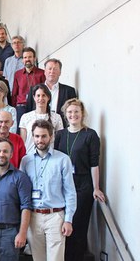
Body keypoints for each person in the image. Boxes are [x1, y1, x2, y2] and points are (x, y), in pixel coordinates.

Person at [54, 98, 105, 261]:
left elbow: (94, 163)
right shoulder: (60, 135)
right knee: (62, 224)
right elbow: (54, 161)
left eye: (76, 111)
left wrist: (96, 187)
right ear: (65, 114)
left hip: (82, 186)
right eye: (70, 112)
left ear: (82, 113)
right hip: (62, 186)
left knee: (78, 225)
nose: (73, 114)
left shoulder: (90, 135)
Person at [20, 119, 77, 261]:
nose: (40, 140)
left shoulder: (63, 159)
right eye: (37, 136)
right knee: (38, 258)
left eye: (44, 136)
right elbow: (22, 192)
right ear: (32, 137)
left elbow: (70, 192)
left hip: (55, 216)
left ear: (51, 137)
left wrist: (68, 220)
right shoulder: (25, 161)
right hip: (33, 217)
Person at [26, 58, 77, 127]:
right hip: (37, 130)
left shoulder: (69, 91)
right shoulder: (34, 90)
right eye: (49, 69)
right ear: (44, 71)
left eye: (55, 69)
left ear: (60, 72)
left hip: (61, 130)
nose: (52, 71)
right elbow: (29, 110)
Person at [19, 84, 63, 154]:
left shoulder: (56, 117)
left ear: (48, 97)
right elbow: (23, 141)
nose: (41, 98)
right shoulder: (25, 117)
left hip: (50, 157)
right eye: (38, 95)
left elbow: (59, 141)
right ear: (34, 97)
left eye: (44, 95)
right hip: (30, 156)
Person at [12, 47, 46, 122]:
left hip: (36, 106)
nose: (27, 59)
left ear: (34, 58)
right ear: (22, 60)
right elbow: (14, 93)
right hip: (21, 107)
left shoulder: (42, 73)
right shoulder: (18, 74)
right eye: (25, 57)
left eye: (30, 57)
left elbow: (45, 92)